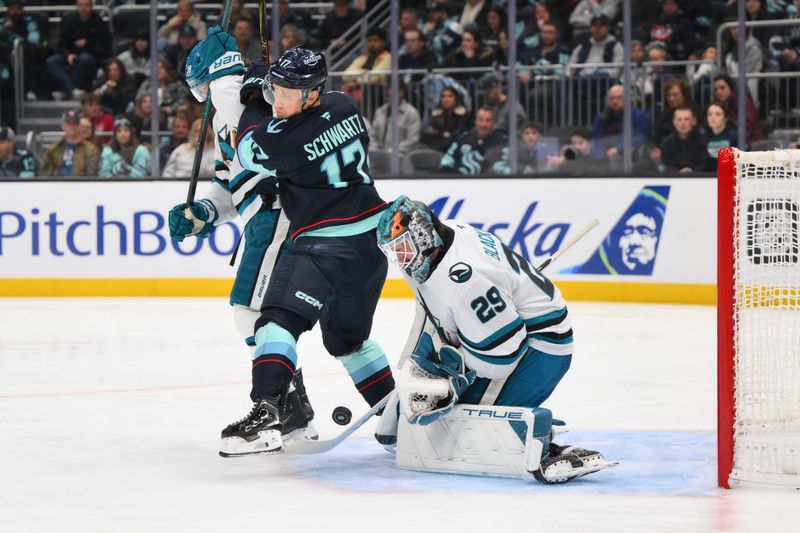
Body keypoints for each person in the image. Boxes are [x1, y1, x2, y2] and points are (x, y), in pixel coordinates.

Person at [177, 35, 395, 457]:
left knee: (270, 321)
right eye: (277, 90)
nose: (279, 100)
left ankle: (271, 411)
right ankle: (397, 417)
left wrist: (238, 89)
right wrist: (206, 210)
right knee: (347, 341)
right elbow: (236, 174)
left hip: (321, 244)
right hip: (367, 246)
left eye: (289, 93)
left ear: (312, 93)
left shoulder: (280, 138)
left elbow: (252, 144)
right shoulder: (343, 105)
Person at [373, 196, 615, 484]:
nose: (399, 259)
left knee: (459, 422)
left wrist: (455, 378)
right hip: (503, 329)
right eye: (394, 252)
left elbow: (501, 358)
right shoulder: (447, 234)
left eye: (403, 249)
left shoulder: (464, 282)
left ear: (423, 237)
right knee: (423, 411)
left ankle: (538, 439)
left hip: (542, 347)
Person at [45, 0, 111, 100]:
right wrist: (68, 55)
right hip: (70, 53)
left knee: (84, 59)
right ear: (77, 6)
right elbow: (61, 44)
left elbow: (104, 44)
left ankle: (68, 91)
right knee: (51, 61)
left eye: (86, 5)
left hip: (90, 54)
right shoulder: (69, 21)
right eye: (80, 5)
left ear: (91, 6)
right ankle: (72, 90)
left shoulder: (98, 22)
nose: (83, 8)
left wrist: (88, 42)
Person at [589, 84, 651, 166]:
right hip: (605, 151)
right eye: (612, 98)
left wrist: (619, 148)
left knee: (616, 158)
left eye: (619, 97)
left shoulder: (638, 115)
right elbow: (595, 138)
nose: (615, 101)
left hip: (627, 152)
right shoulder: (601, 117)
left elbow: (642, 136)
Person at [439, 106, 507, 175]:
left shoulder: (502, 143)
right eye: (480, 120)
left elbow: (505, 168)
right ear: (475, 121)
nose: (483, 124)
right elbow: (448, 159)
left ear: (494, 123)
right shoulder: (464, 138)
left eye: (488, 121)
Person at [42, 109, 100, 176]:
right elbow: (46, 175)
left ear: (79, 126)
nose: (72, 126)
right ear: (63, 126)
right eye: (69, 123)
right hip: (57, 185)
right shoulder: (53, 150)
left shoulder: (91, 150)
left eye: (75, 123)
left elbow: (92, 176)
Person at [712, 73, 764, 144]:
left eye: (722, 88)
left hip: (750, 144)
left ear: (730, 88)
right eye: (715, 89)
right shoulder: (715, 106)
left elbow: (747, 130)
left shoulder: (743, 103)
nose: (718, 92)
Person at [370, 82, 421, 154]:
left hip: (401, 157)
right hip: (379, 155)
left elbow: (412, 140)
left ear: (402, 93)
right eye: (389, 95)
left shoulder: (412, 113)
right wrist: (373, 150)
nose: (390, 97)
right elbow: (373, 136)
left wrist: (391, 152)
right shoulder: (380, 112)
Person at [492, 121, 559, 175]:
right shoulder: (514, 151)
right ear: (522, 136)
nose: (530, 136)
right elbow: (497, 167)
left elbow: (552, 169)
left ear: (540, 136)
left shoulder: (548, 150)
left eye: (534, 133)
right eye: (527, 133)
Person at [420, 86, 470, 152]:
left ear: (456, 98)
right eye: (443, 96)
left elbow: (457, 134)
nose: (446, 99)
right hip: (434, 144)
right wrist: (441, 133)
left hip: (454, 147)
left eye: (450, 96)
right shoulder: (436, 114)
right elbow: (425, 132)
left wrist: (439, 133)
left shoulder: (463, 115)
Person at [658, 106, 707, 173]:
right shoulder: (667, 143)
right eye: (679, 120)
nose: (683, 123)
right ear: (674, 122)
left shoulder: (704, 140)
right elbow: (666, 166)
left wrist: (694, 171)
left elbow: (707, 164)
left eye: (686, 119)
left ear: (694, 121)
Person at [704, 102, 738, 171]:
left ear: (726, 118)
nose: (712, 118)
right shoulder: (704, 137)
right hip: (707, 177)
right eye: (710, 114)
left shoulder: (735, 136)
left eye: (718, 114)